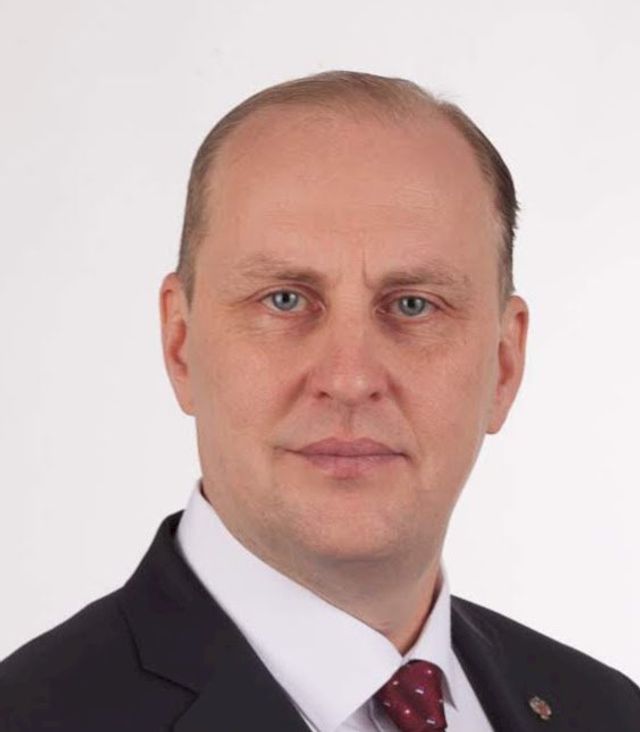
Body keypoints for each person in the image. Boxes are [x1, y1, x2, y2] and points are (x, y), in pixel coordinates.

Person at [1, 70, 638, 732]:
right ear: (181, 343)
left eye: (413, 305)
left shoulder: (608, 711)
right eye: (284, 300)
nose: (350, 378)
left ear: (504, 364)